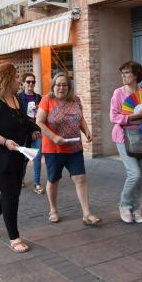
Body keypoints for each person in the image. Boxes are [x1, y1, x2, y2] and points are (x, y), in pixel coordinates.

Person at [0, 63, 40, 253]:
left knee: (10, 192)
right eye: (15, 77)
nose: (18, 81)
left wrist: (33, 130)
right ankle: (14, 237)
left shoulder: (15, 99)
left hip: (17, 155)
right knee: (12, 194)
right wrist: (4, 142)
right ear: (4, 80)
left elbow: (22, 121)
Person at [36, 72, 101, 226]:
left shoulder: (75, 100)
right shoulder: (47, 100)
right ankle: (53, 210)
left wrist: (86, 130)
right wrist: (54, 137)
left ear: (69, 86)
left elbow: (80, 118)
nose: (61, 87)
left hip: (74, 147)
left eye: (65, 84)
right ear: (53, 86)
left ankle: (86, 213)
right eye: (58, 84)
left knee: (80, 178)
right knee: (53, 179)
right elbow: (39, 122)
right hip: (54, 149)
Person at [109, 61, 142, 224]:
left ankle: (136, 208)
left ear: (136, 75)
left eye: (127, 73)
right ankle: (124, 205)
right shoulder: (118, 93)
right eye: (122, 73)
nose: (124, 76)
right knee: (134, 173)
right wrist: (134, 116)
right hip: (123, 136)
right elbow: (113, 117)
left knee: (141, 176)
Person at [17, 72, 44, 194]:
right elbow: (17, 117)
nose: (31, 84)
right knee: (24, 158)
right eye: (28, 82)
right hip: (24, 133)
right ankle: (21, 178)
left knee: (37, 157)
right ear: (23, 83)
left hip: (36, 131)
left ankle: (37, 184)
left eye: (33, 82)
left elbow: (44, 116)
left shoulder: (39, 98)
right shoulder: (18, 98)